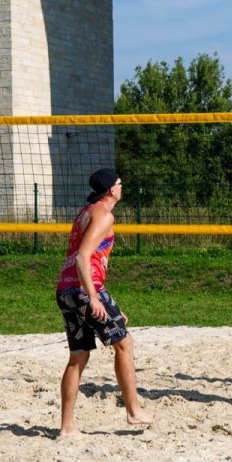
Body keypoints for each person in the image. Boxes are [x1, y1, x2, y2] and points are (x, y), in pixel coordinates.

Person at [55, 168, 155, 436]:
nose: (122, 187)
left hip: (66, 290)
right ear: (111, 189)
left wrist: (109, 304)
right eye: (120, 183)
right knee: (124, 343)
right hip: (83, 289)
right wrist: (94, 297)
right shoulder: (103, 215)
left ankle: (67, 427)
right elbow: (82, 258)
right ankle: (134, 411)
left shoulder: (86, 212)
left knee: (78, 357)